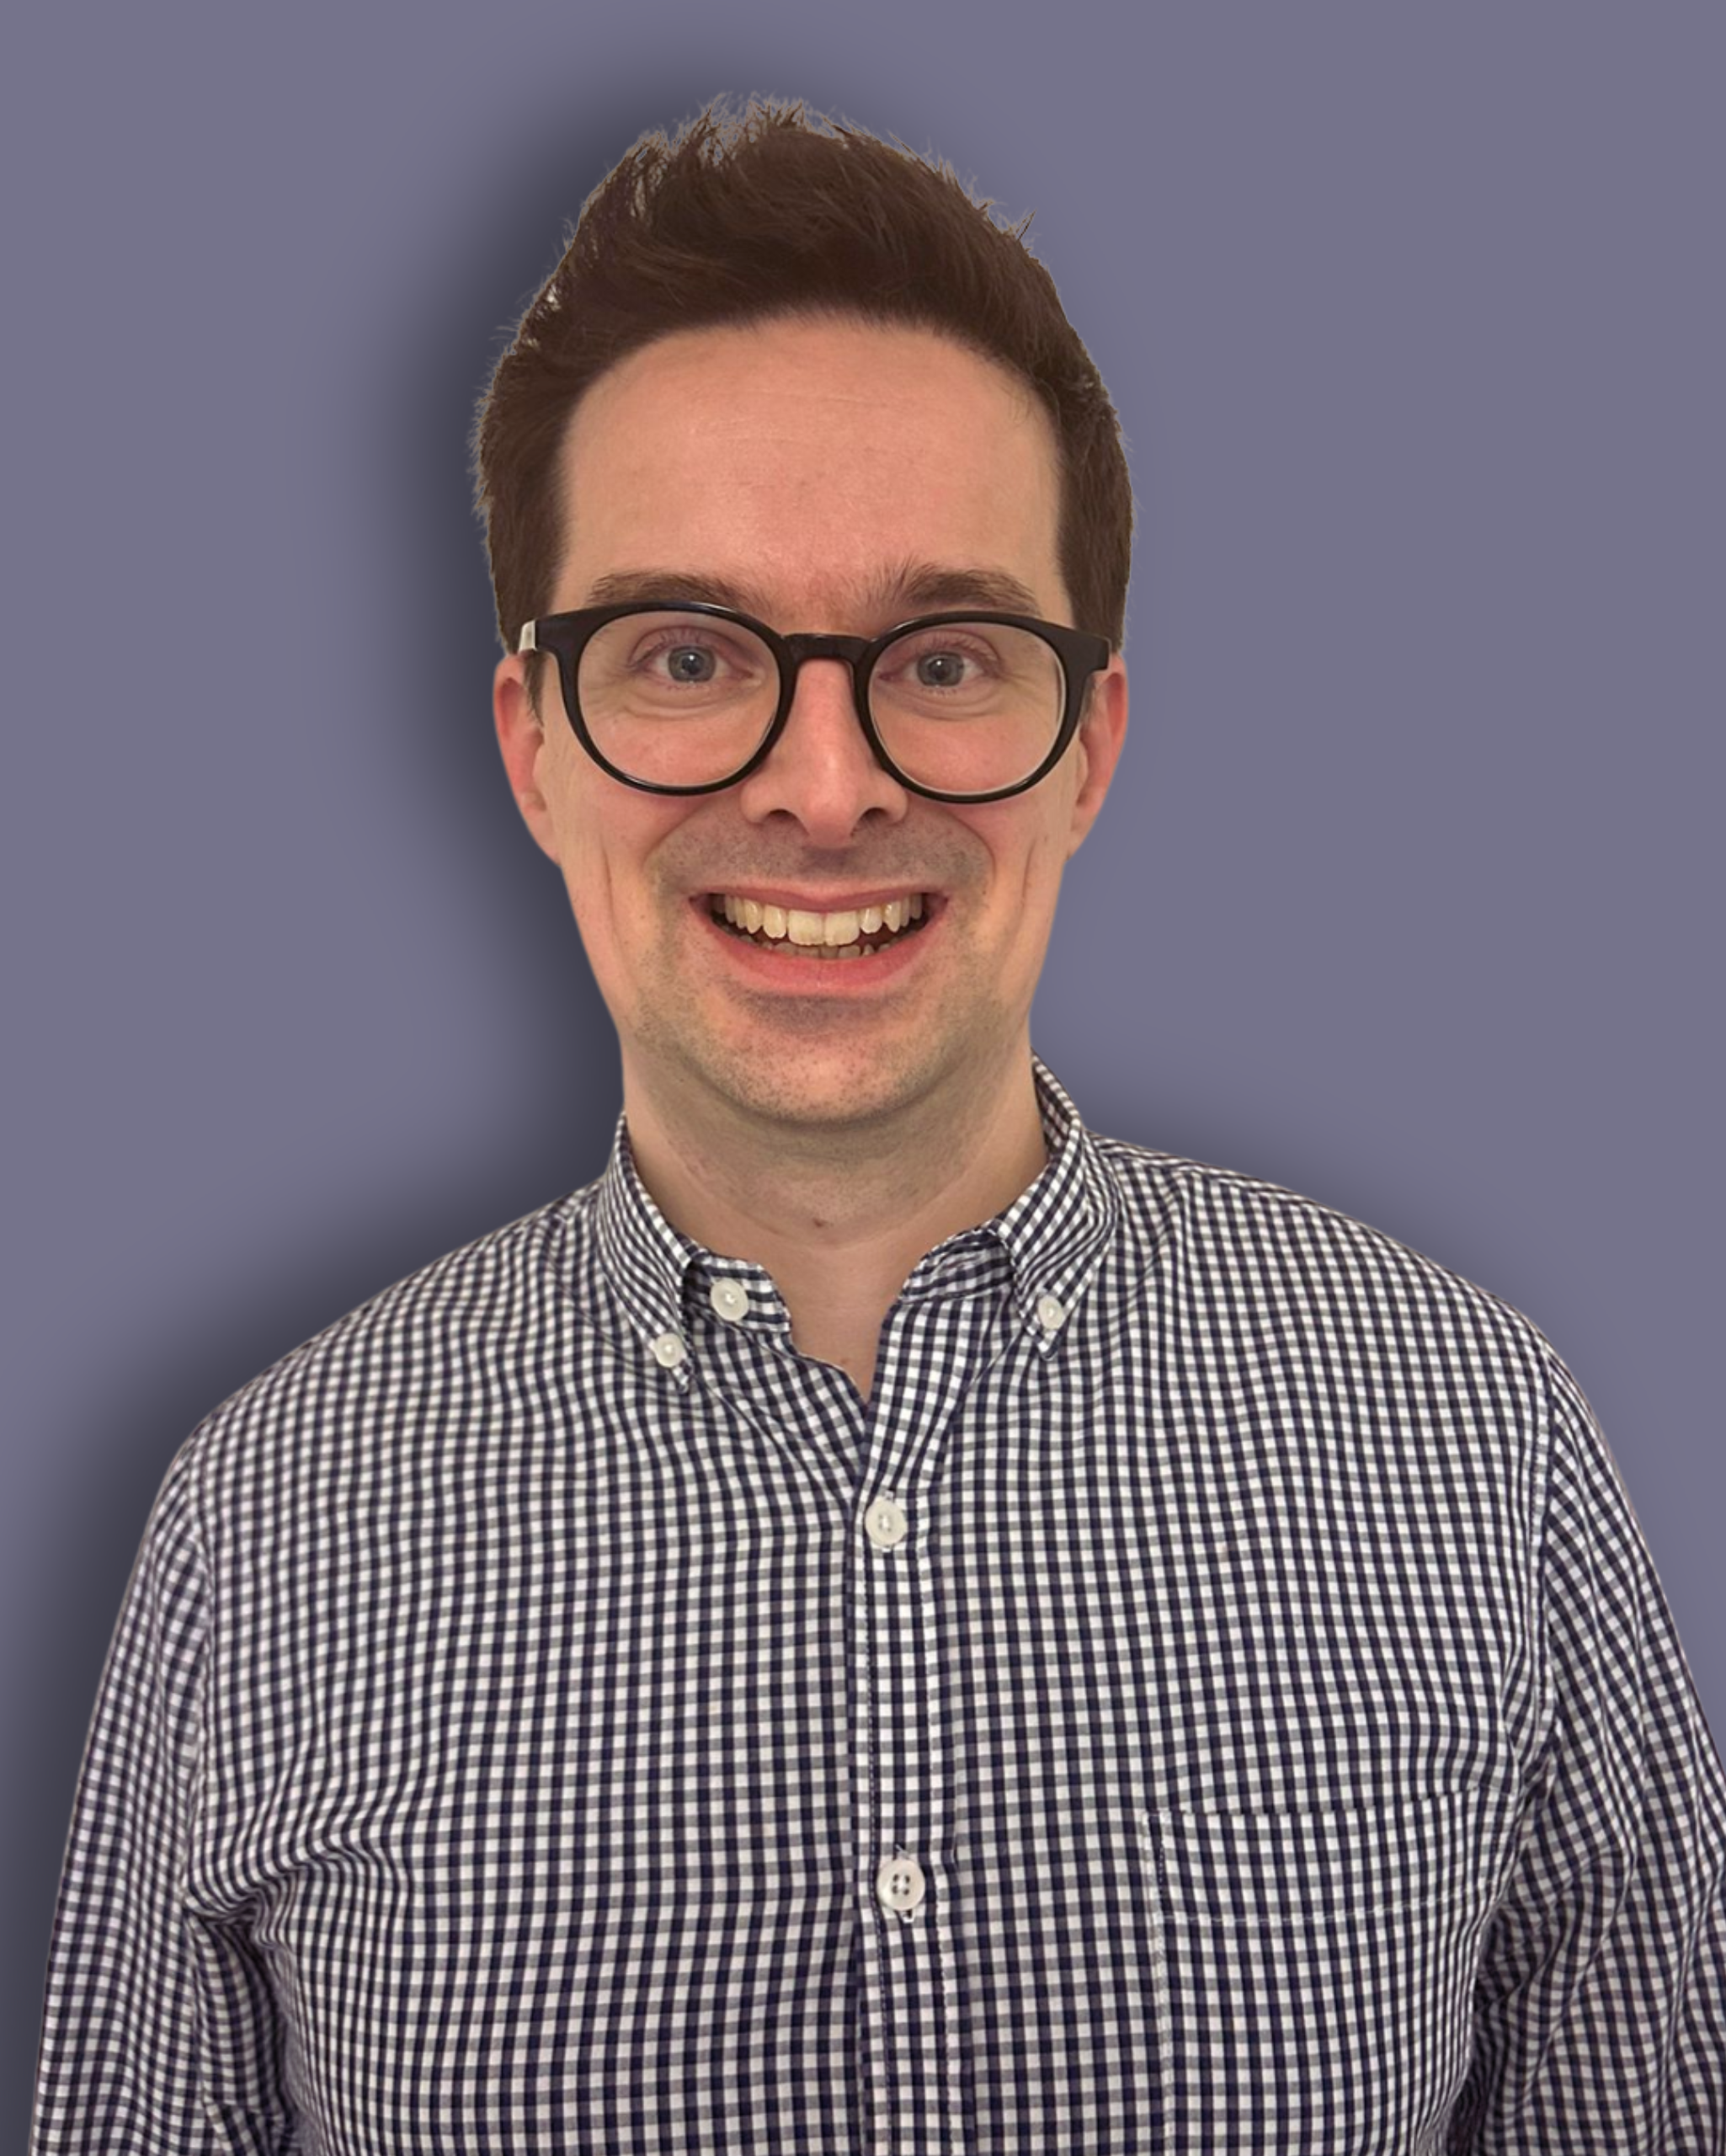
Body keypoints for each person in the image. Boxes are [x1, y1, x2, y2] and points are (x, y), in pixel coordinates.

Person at [33, 98, 1725, 2153]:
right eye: (681, 650)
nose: (824, 785)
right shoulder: (261, 1521)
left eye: (940, 656)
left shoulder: (1479, 1446)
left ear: (1086, 742)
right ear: (533, 748)